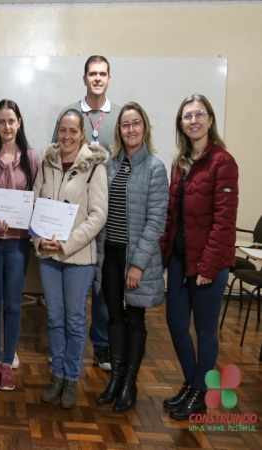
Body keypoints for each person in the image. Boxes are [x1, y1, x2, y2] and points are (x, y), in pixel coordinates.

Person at [160, 94, 238, 420]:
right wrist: (163, 258)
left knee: (205, 330)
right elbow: (171, 216)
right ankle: (192, 384)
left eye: (199, 114)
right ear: (181, 123)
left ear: (209, 120)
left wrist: (208, 265)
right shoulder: (180, 163)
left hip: (209, 264)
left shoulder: (223, 161)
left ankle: (200, 391)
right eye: (187, 115)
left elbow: (224, 221)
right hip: (180, 260)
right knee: (176, 325)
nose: (194, 120)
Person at [94, 103, 168, 412]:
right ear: (119, 131)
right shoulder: (109, 165)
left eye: (136, 123)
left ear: (145, 127)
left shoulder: (155, 168)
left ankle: (129, 383)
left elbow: (156, 221)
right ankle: (115, 378)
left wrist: (137, 263)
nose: (131, 129)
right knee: (113, 316)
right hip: (109, 254)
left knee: (134, 319)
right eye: (125, 125)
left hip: (137, 258)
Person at [34, 109, 108, 409]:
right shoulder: (47, 162)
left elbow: (98, 215)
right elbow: (35, 202)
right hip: (47, 256)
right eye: (62, 130)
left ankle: (71, 379)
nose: (67, 136)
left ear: (82, 134)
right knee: (54, 318)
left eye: (73, 131)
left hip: (78, 258)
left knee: (75, 321)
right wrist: (40, 239)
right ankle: (57, 374)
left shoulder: (95, 167)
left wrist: (66, 243)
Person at [52, 55, 120, 372]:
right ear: (84, 78)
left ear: (109, 78)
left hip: (107, 209)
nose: (97, 78)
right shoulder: (70, 113)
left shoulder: (119, 115)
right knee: (78, 282)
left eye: (102, 73)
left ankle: (102, 344)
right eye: (92, 73)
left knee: (104, 281)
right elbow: (58, 155)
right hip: (74, 214)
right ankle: (67, 349)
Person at [0, 100, 39, 391]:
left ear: (19, 122)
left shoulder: (31, 158)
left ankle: (6, 362)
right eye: (1, 122)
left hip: (18, 243)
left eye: (11, 121)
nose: (6, 127)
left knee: (13, 303)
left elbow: (36, 200)